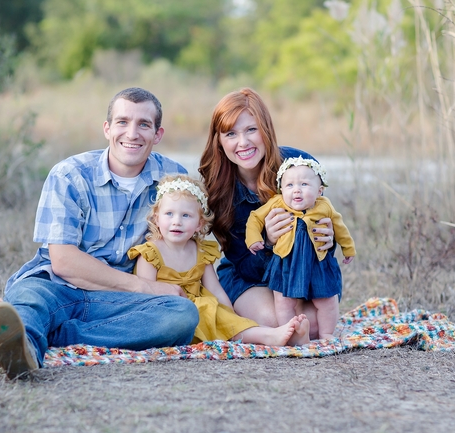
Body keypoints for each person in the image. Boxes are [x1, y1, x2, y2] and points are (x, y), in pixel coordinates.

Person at [0, 87, 199, 379]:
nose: (132, 133)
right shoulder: (69, 175)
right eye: (122, 122)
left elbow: (193, 236)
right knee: (30, 300)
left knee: (182, 316)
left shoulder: (171, 180)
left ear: (157, 135)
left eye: (143, 124)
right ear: (107, 129)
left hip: (117, 302)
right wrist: (144, 287)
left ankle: (59, 335)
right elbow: (63, 261)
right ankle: (23, 350)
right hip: (57, 285)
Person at [198, 87, 336, 339]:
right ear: (219, 140)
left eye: (252, 129)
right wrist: (269, 242)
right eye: (231, 133)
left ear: (266, 129)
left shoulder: (298, 164)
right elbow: (245, 266)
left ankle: (303, 331)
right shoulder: (218, 188)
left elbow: (325, 222)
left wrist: (329, 238)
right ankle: (286, 332)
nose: (243, 143)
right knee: (277, 321)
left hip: (303, 271)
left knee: (316, 323)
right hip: (248, 276)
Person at [128, 174, 311, 346]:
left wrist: (232, 316)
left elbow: (215, 289)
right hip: (170, 311)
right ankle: (270, 335)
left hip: (204, 308)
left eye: (186, 215)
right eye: (169, 214)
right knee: (205, 315)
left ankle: (276, 336)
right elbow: (146, 294)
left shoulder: (201, 251)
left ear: (199, 224)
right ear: (156, 218)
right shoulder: (150, 253)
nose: (177, 221)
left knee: (224, 320)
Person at [246, 157, 356, 339]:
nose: (296, 189)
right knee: (283, 301)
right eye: (289, 185)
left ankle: (327, 334)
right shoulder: (277, 202)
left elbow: (339, 227)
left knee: (327, 300)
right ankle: (289, 333)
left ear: (320, 191)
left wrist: (348, 248)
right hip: (286, 262)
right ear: (281, 189)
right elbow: (255, 218)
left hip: (317, 264)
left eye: (304, 184)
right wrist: (254, 238)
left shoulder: (324, 206)